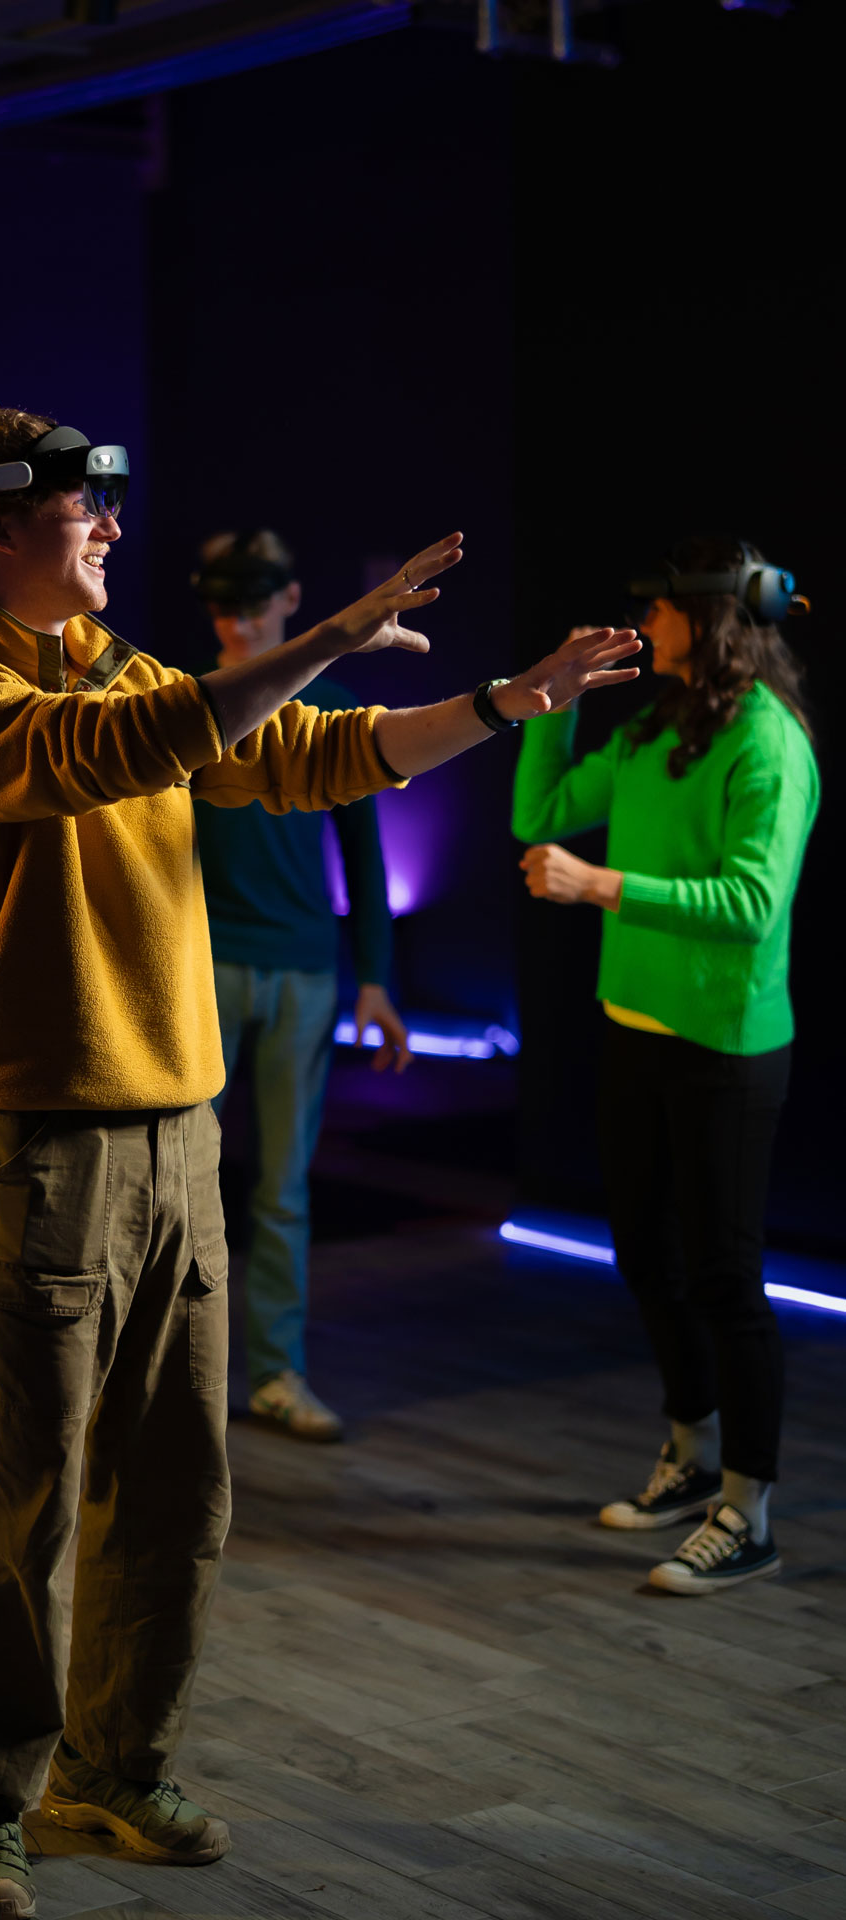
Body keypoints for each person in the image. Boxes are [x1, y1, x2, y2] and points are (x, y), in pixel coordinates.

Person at [0, 405, 638, 1919]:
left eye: (107, 508)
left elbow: (319, 757)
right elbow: (96, 757)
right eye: (77, 510)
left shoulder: (150, 678)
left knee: (177, 1487)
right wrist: (329, 634)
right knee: (19, 1503)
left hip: (177, 1137)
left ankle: (114, 1766)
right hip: (34, 1151)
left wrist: (508, 701)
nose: (107, 528)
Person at [512, 537, 818, 1595]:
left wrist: (600, 888)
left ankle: (751, 1511)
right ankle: (690, 1460)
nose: (645, 616)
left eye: (662, 606)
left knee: (729, 1280)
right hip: (634, 1026)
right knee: (645, 1252)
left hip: (727, 1048)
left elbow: (750, 907)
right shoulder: (655, 724)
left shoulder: (769, 745)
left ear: (715, 618)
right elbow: (538, 819)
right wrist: (551, 702)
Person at [191, 529, 408, 1442]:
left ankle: (276, 1372)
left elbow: (364, 858)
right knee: (179, 1185)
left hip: (304, 972)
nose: (240, 621)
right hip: (200, 967)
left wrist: (375, 980)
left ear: (289, 600)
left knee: (282, 1187)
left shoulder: (337, 701)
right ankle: (175, 1376)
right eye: (225, 604)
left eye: (256, 601)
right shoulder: (187, 704)